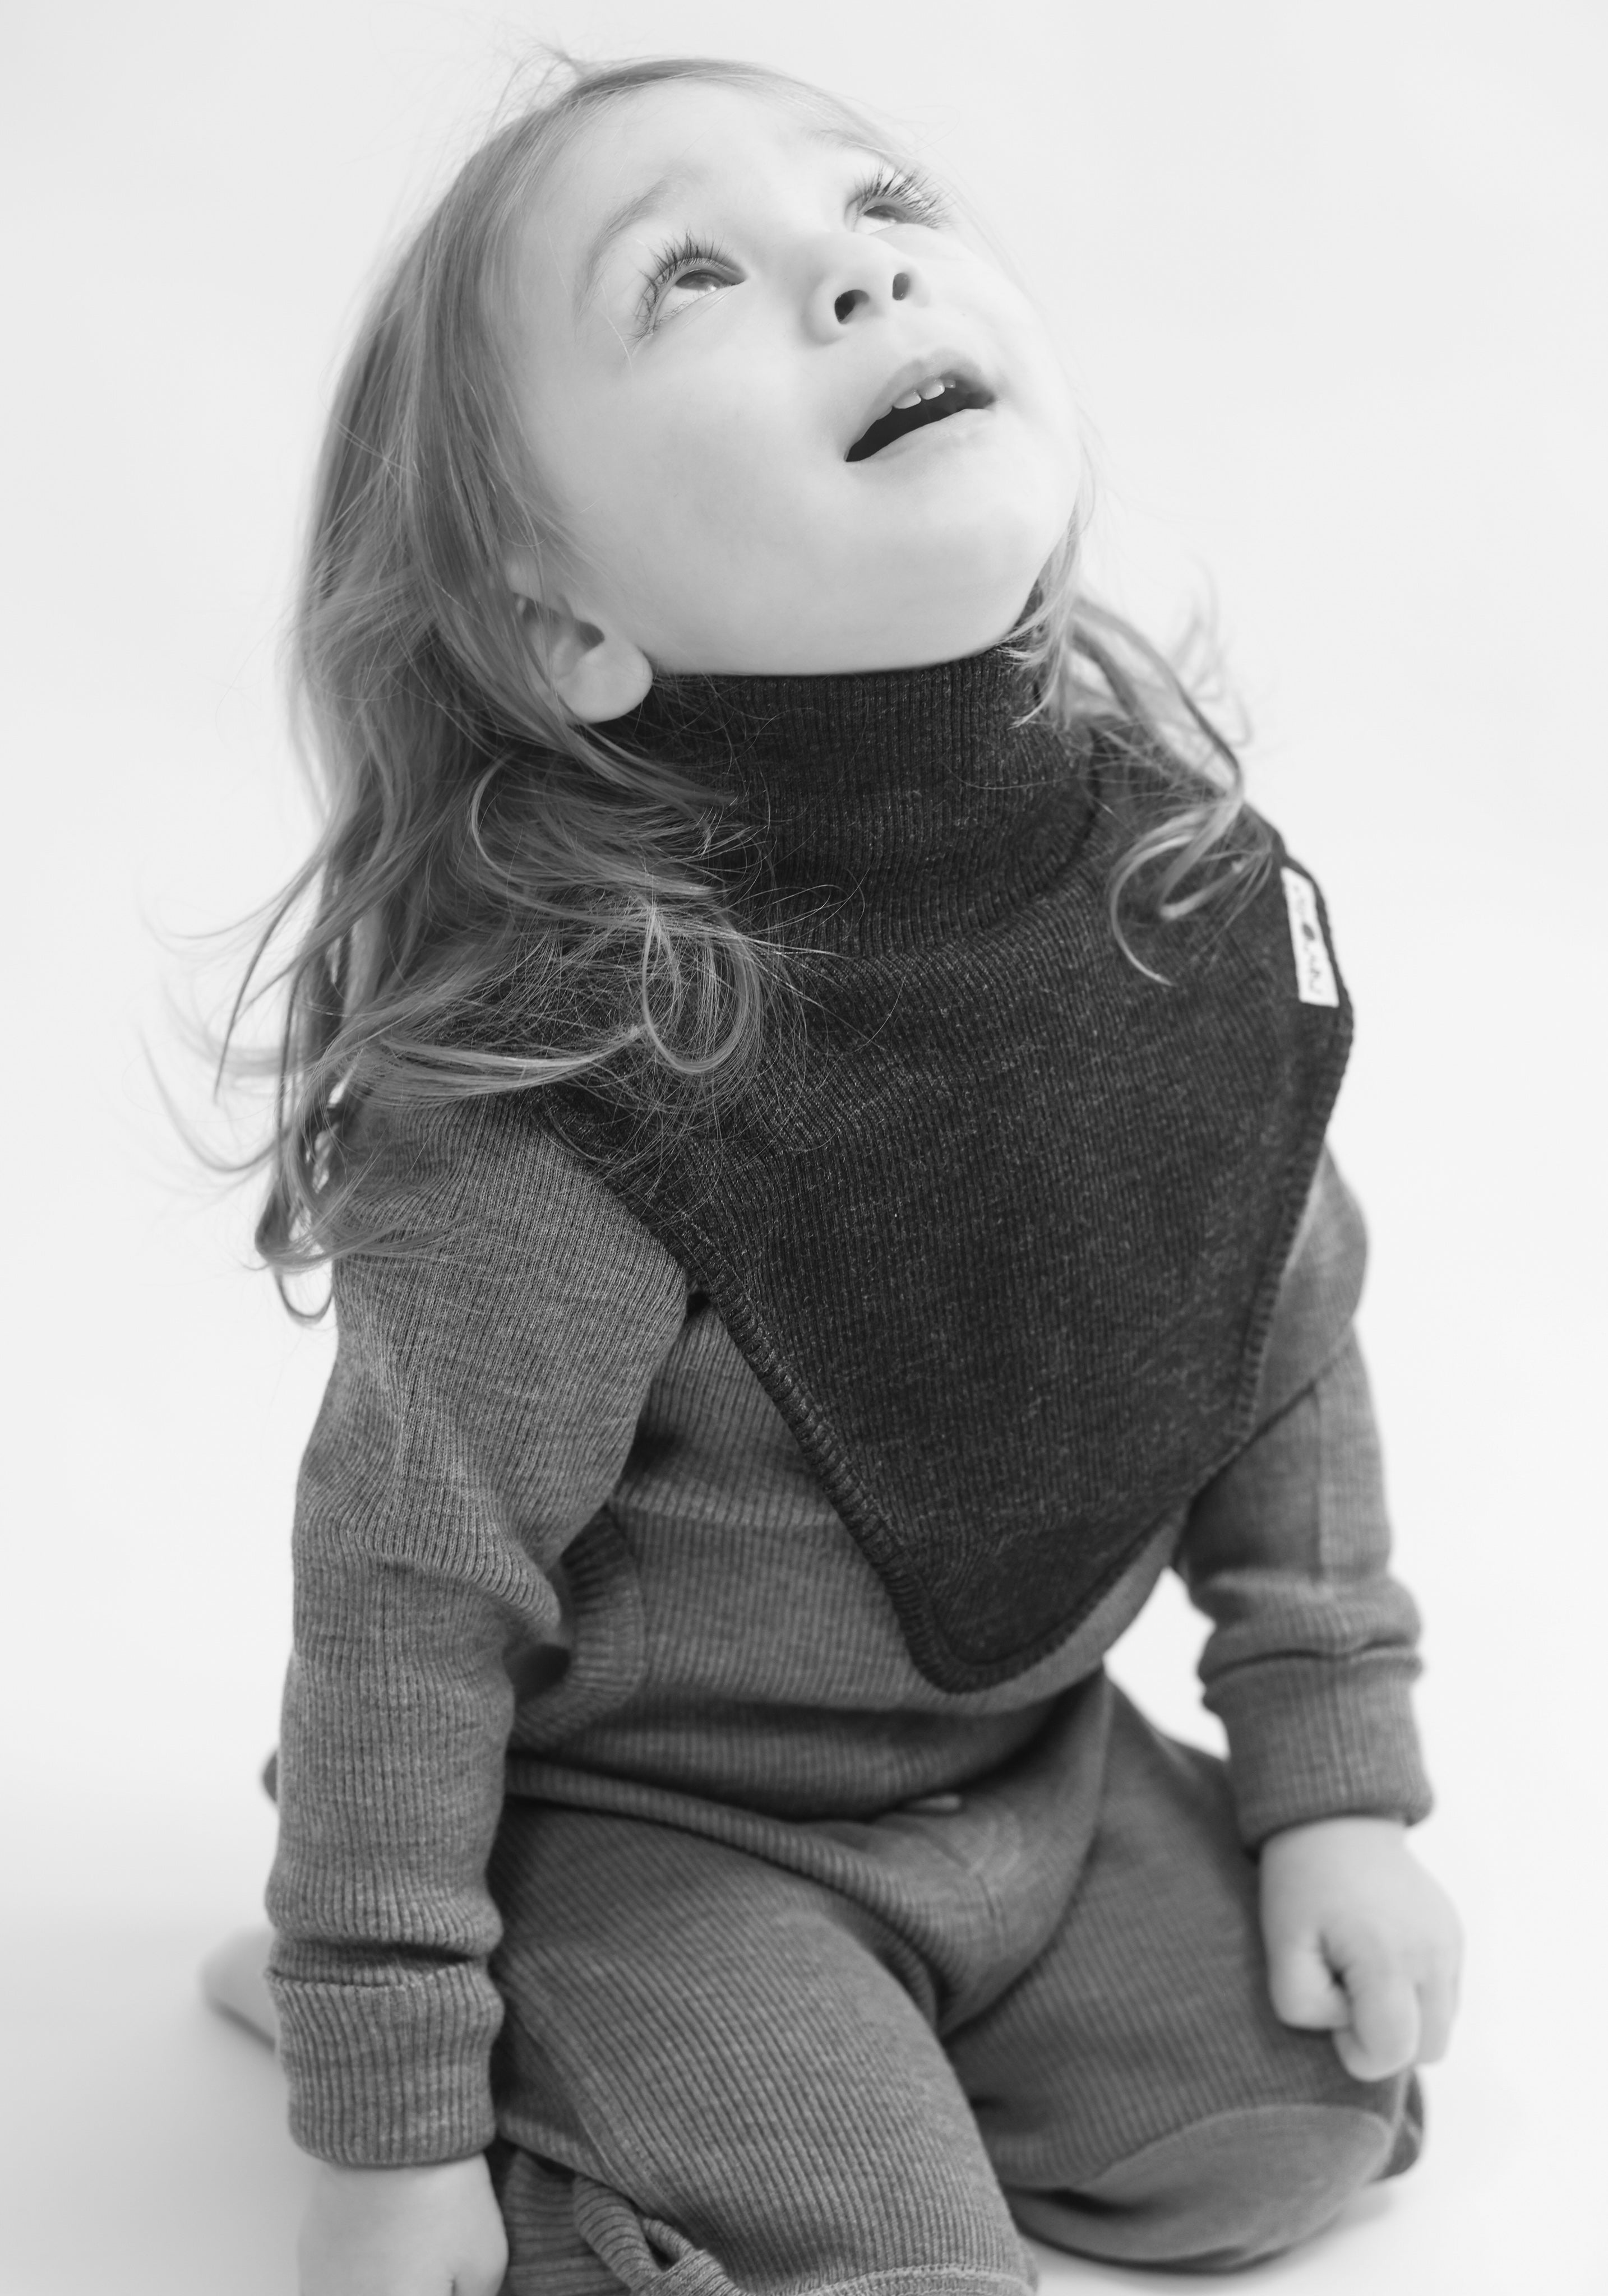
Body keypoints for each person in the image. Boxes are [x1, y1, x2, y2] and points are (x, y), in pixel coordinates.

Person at [201, 52, 1463, 2296]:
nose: (861, 268)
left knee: (1289, 2136)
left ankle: (874, 2025)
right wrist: (389, 2113)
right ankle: (475, 2019)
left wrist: (1331, 1780)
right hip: (652, 1832)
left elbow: (1279, 1345)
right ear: (554, 620)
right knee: (897, 2271)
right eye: (686, 278)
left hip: (1030, 1771)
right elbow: (402, 1596)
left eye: (883, 202)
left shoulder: (1174, 887)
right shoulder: (568, 1070)